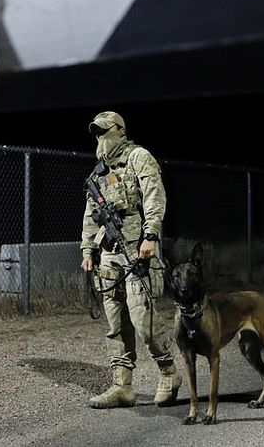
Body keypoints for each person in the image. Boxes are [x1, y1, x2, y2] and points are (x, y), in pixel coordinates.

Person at [80, 111, 181, 408]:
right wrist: (87, 250)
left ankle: (169, 373)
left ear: (119, 129)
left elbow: (154, 196)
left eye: (104, 130)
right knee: (115, 321)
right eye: (96, 133)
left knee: (143, 317)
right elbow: (90, 215)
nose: (100, 137)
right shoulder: (98, 172)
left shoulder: (139, 157)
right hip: (108, 254)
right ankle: (122, 386)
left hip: (137, 248)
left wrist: (151, 235)